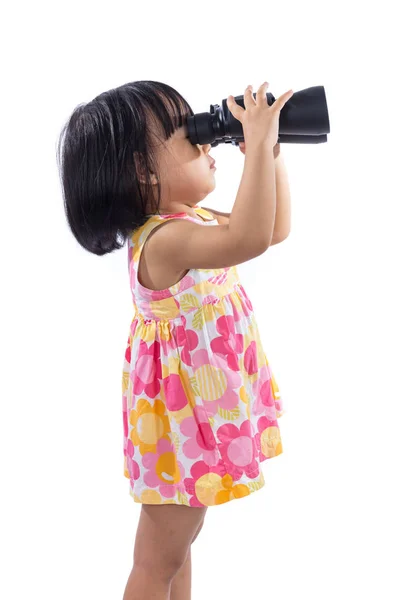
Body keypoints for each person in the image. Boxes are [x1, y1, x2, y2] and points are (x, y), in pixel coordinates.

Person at [57, 79, 294, 600]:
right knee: (157, 559)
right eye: (189, 135)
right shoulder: (165, 240)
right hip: (181, 426)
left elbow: (272, 228)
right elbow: (251, 239)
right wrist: (254, 145)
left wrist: (268, 150)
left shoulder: (188, 220)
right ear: (143, 170)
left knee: (178, 550)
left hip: (197, 417)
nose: (206, 141)